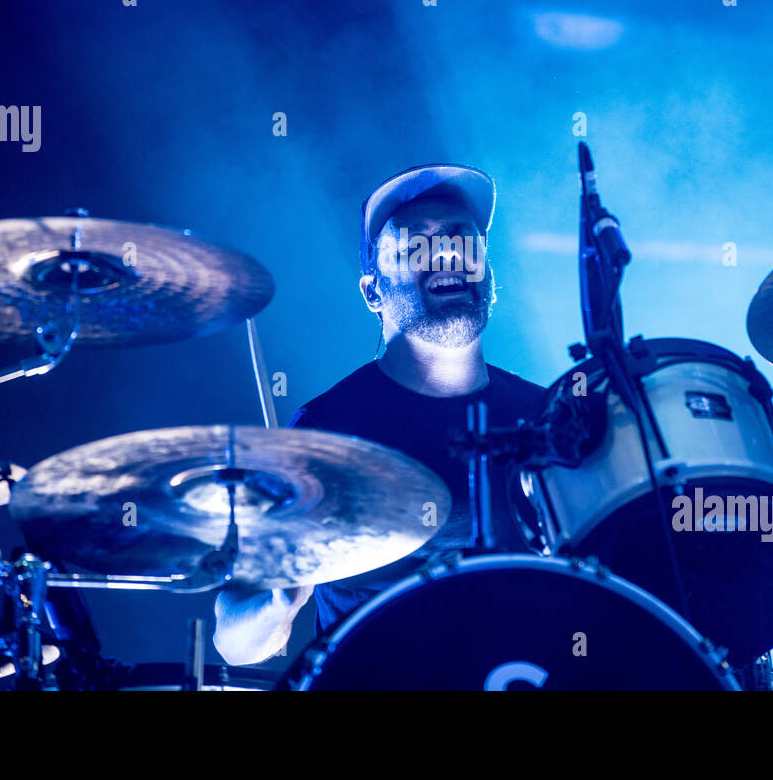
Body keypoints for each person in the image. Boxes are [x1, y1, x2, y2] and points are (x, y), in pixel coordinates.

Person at [213, 164, 546, 665]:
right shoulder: (325, 435)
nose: (448, 254)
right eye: (416, 245)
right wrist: (281, 601)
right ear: (372, 293)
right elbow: (234, 646)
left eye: (464, 241)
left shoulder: (547, 418)